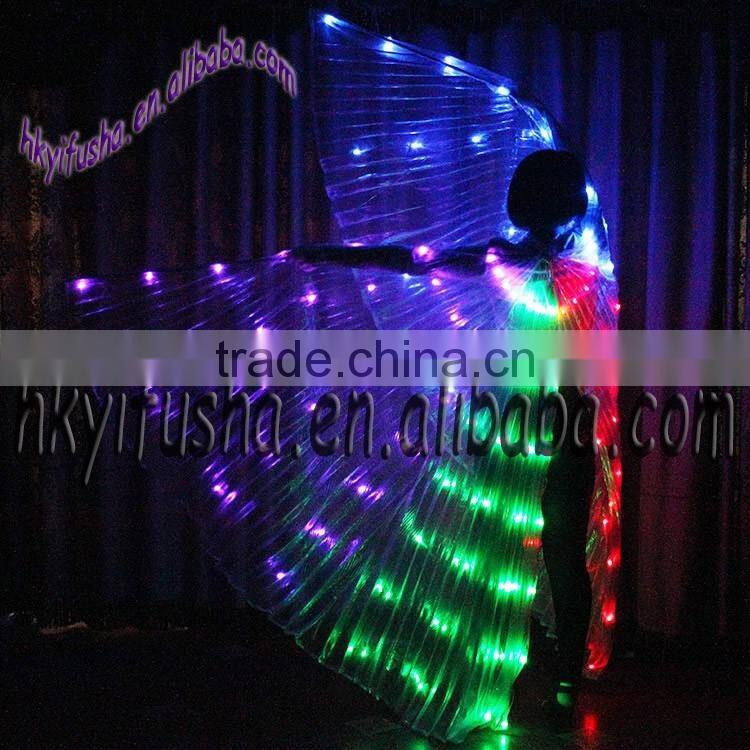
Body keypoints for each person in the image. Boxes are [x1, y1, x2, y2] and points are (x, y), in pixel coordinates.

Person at [499, 149, 597, 728]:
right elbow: (423, 262)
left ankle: (558, 682)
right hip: (535, 424)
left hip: (546, 426)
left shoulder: (580, 267)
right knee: (544, 555)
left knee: (554, 556)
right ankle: (552, 680)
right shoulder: (570, 264)